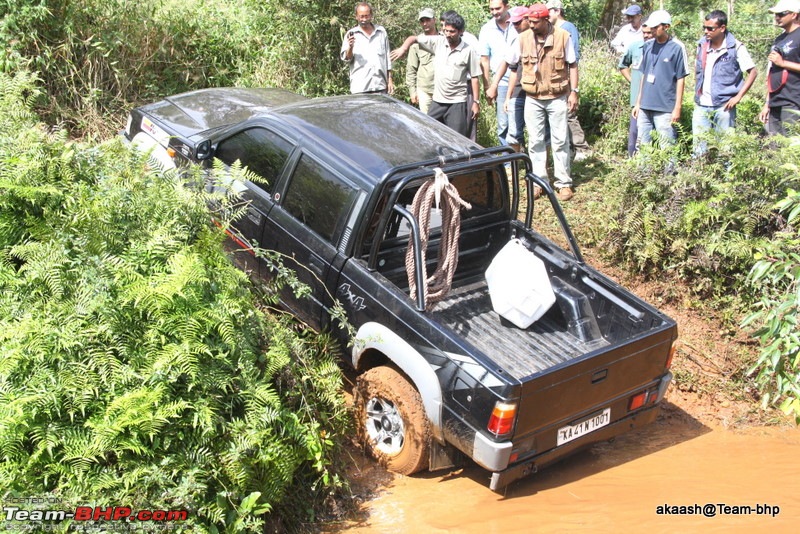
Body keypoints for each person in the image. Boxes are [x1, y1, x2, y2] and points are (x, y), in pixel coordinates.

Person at [506, 4, 579, 201]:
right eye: (529, 21)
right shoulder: (522, 39)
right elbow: (512, 65)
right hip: (533, 99)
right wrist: (508, 96)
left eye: (536, 22)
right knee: (535, 141)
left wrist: (574, 92)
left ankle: (564, 183)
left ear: (546, 20)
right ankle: (539, 181)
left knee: (560, 140)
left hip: (557, 97)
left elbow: (572, 64)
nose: (531, 25)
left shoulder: (563, 37)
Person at [392, 12, 481, 137]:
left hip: (457, 102)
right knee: (427, 133)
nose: (448, 34)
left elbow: (475, 77)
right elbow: (413, 38)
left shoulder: (468, 50)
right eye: (445, 31)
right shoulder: (439, 42)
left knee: (457, 138)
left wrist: (476, 102)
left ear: (461, 31)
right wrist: (403, 49)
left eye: (452, 31)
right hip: (438, 101)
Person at [692, 10, 758, 156]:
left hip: (724, 106)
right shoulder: (702, 45)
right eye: (704, 28)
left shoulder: (735, 47)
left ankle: (725, 177)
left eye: (710, 28)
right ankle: (699, 176)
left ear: (722, 28)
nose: (706, 31)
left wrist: (738, 97)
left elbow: (753, 72)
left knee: (725, 149)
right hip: (702, 104)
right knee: (698, 148)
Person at [633, 10, 688, 149]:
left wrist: (677, 108)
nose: (652, 30)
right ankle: (643, 171)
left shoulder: (677, 47)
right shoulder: (647, 46)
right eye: (651, 27)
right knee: (643, 146)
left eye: (655, 27)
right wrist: (638, 103)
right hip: (645, 106)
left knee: (667, 147)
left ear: (666, 27)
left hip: (665, 108)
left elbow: (681, 78)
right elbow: (644, 75)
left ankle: (669, 171)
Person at [547, 0, 592, 161]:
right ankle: (570, 147)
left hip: (565, 77)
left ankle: (581, 147)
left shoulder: (567, 28)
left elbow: (572, 59)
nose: (547, 15)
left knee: (569, 113)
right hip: (553, 79)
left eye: (549, 11)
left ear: (557, 11)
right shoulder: (552, 29)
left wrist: (571, 86)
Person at [759, 0, 800, 136]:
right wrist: (767, 104)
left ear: (794, 15)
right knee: (774, 148)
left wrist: (783, 64)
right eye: (776, 14)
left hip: (793, 101)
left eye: (781, 14)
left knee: (790, 147)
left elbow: (780, 64)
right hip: (775, 101)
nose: (777, 18)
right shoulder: (779, 39)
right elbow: (772, 72)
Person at [479, 0, 517, 147]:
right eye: (491, 9)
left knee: (525, 119)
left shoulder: (518, 22)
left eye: (498, 8)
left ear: (506, 6)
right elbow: (484, 59)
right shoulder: (487, 29)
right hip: (500, 82)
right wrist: (488, 86)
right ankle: (509, 163)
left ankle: (527, 157)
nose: (494, 12)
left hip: (521, 80)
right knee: (503, 124)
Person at [341, 2, 393, 95]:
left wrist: (390, 80)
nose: (364, 19)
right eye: (361, 16)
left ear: (371, 15)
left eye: (366, 16)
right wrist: (350, 47)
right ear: (356, 16)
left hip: (380, 86)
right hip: (360, 88)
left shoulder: (381, 32)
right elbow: (347, 58)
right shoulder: (351, 34)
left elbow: (388, 58)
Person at [618, 25, 653, 156]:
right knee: (634, 132)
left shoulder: (662, 49)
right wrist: (633, 81)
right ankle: (632, 160)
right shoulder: (635, 47)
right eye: (644, 33)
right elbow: (622, 65)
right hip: (637, 100)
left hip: (655, 99)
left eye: (649, 32)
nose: (646, 35)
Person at [406, 8, 438, 113]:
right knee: (427, 122)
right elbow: (411, 69)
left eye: (428, 20)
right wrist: (412, 92)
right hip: (424, 90)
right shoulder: (416, 43)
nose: (425, 23)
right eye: (422, 21)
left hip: (443, 90)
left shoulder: (444, 39)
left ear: (435, 20)